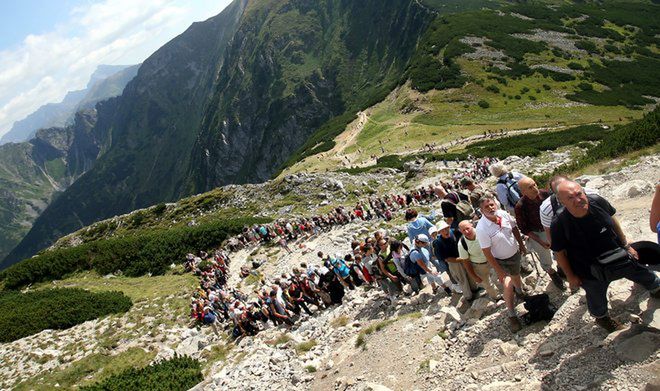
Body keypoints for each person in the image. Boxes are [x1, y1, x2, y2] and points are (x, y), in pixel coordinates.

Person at [551, 181, 660, 333]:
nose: (577, 199)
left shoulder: (597, 202)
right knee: (596, 296)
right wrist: (570, 276)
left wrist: (626, 245)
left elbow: (613, 220)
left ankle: (656, 288)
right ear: (561, 201)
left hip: (618, 255)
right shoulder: (559, 223)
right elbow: (559, 253)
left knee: (642, 273)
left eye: (579, 194)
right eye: (570, 198)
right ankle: (602, 318)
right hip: (589, 269)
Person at [476, 195, 528, 332]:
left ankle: (520, 292)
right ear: (481, 210)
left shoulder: (503, 214)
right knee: (507, 285)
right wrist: (498, 270)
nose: (490, 208)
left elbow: (514, 228)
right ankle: (511, 314)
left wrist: (521, 245)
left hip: (514, 254)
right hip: (500, 260)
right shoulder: (482, 229)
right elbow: (486, 252)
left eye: (492, 204)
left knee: (516, 275)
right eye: (486, 207)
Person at [515, 177, 566, 290]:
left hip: (553, 227)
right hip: (537, 233)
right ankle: (552, 273)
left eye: (534, 184)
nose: (535, 188)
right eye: (530, 187)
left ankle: (562, 269)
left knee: (561, 250)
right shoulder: (520, 206)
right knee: (545, 258)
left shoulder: (545, 194)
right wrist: (540, 241)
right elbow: (524, 228)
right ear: (523, 191)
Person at [434, 220, 479, 301]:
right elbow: (445, 258)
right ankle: (468, 296)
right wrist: (460, 259)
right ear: (439, 232)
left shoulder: (455, 232)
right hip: (454, 262)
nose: (445, 231)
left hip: (464, 256)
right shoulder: (438, 243)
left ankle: (474, 289)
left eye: (446, 228)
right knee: (462, 278)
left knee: (470, 273)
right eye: (443, 230)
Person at [457, 220, 500, 300]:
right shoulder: (462, 244)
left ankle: (513, 288)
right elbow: (466, 261)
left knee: (502, 274)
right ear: (460, 231)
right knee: (487, 284)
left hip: (493, 259)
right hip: (479, 265)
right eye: (463, 230)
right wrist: (474, 276)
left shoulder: (482, 232)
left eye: (467, 228)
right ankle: (496, 297)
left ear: (472, 225)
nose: (466, 231)